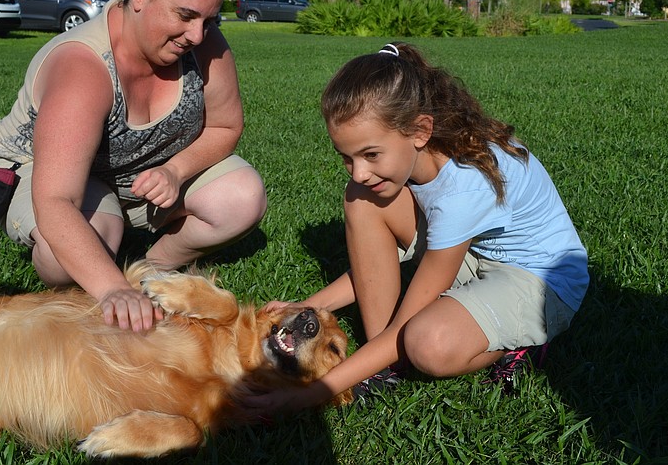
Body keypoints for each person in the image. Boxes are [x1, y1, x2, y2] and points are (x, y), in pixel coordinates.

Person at [247, 42, 588, 413]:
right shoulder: (419, 156)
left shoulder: (463, 189)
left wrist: (310, 394)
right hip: (476, 251)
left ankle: (521, 343)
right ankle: (383, 361)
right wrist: (308, 306)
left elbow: (408, 321)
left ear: (421, 130)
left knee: (426, 343)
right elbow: (372, 267)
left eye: (371, 154)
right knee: (360, 197)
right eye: (346, 157)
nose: (359, 172)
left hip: (539, 282)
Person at [0, 0, 267, 332]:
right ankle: (110, 263)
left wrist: (176, 171)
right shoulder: (83, 67)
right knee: (67, 254)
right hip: (47, 173)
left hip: (142, 173)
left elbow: (225, 125)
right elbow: (57, 200)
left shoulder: (204, 43)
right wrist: (113, 290)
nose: (198, 35)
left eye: (209, 20)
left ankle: (153, 268)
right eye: (185, 16)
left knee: (243, 197)